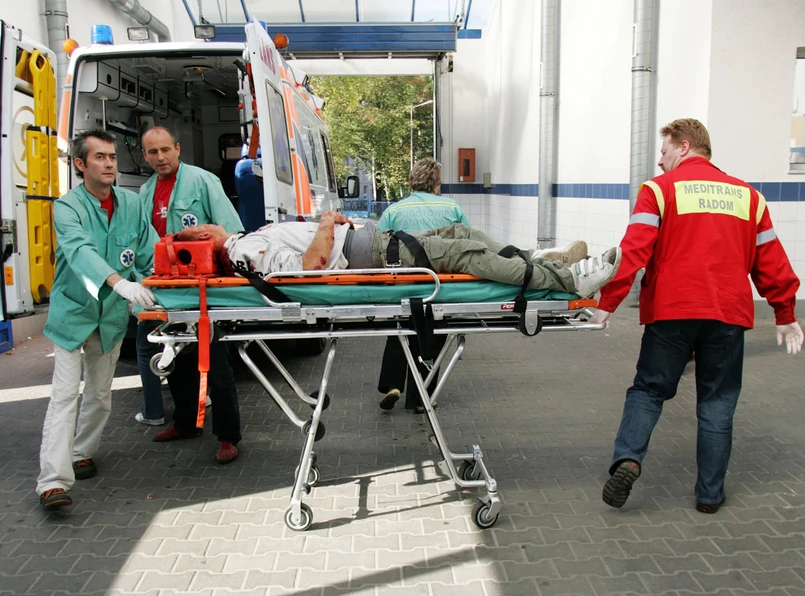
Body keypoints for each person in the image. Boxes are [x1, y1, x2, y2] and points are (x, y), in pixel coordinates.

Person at [590, 118, 803, 515]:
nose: (660, 161)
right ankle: (709, 495)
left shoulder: (659, 190)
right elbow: (771, 261)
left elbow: (633, 252)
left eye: (665, 150)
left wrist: (607, 302)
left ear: (685, 146)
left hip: (673, 310)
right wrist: (785, 312)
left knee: (649, 390)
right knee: (717, 402)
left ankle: (628, 460)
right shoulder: (749, 197)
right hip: (728, 313)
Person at [37, 129, 159, 509]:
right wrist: (120, 283)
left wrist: (162, 290)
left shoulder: (132, 203)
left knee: (100, 396)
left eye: (112, 157)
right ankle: (52, 482)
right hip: (73, 313)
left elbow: (148, 252)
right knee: (64, 396)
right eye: (99, 157)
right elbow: (80, 251)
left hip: (110, 317)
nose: (109, 164)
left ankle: (81, 452)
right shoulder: (67, 207)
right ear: (80, 163)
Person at [172, 212, 621, 301]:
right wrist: (326, 223)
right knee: (465, 253)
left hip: (374, 242)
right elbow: (309, 267)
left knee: (460, 232)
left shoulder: (247, 240)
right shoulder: (243, 249)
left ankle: (538, 257)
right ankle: (567, 280)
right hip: (374, 254)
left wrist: (333, 224)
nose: (208, 223)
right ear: (204, 237)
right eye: (202, 227)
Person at [136, 126, 245, 465]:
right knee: (177, 360)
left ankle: (227, 436)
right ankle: (185, 423)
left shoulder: (202, 182)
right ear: (145, 156)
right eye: (153, 152)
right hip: (168, 289)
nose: (160, 157)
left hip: (204, 288)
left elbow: (231, 232)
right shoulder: (146, 192)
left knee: (215, 364)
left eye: (165, 150)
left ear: (178, 148)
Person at [376, 157, 469, 413]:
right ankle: (422, 396)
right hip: (440, 285)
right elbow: (466, 243)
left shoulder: (394, 211)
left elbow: (378, 246)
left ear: (411, 183)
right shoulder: (452, 208)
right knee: (433, 335)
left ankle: (393, 384)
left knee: (399, 330)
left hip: (403, 284)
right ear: (437, 184)